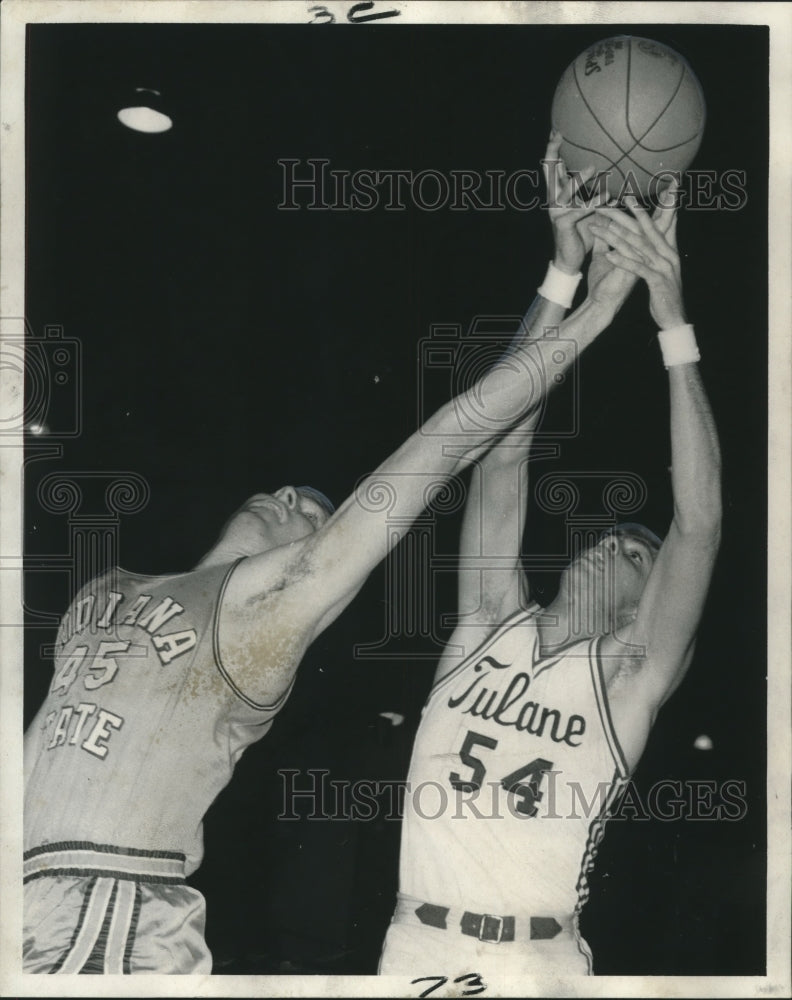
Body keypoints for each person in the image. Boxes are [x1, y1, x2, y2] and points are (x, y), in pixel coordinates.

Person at [22, 136, 613, 974]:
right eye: (292, 490)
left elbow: (456, 434)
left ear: (323, 559)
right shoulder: (106, 586)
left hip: (108, 904)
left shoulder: (264, 615)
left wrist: (580, 294)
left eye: (317, 513)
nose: (293, 496)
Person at [378, 182, 722, 978]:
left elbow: (699, 525)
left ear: (646, 607)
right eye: (612, 536)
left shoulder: (628, 676)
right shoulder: (487, 621)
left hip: (538, 961)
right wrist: (562, 275)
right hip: (417, 947)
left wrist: (672, 322)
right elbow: (503, 446)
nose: (611, 544)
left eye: (636, 555)